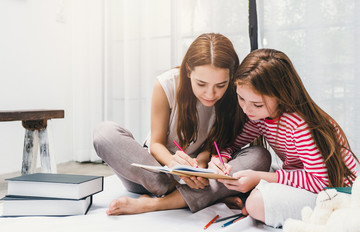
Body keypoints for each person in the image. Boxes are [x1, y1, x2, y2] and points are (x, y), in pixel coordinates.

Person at [93, 33, 271, 215]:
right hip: (157, 175)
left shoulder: (236, 94)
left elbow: (216, 146)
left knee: (260, 156)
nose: (210, 94)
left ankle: (155, 204)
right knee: (104, 133)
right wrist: (175, 166)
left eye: (220, 85)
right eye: (201, 84)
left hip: (201, 177)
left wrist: (200, 166)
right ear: (188, 71)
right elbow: (156, 144)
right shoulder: (166, 84)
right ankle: (202, 196)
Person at [217, 48, 359, 228]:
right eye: (241, 98)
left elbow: (318, 180)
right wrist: (219, 158)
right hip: (308, 180)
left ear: (280, 96)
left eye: (257, 104)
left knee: (256, 202)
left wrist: (259, 177)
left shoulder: (297, 123)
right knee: (246, 174)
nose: (246, 109)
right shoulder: (261, 117)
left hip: (337, 190)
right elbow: (232, 144)